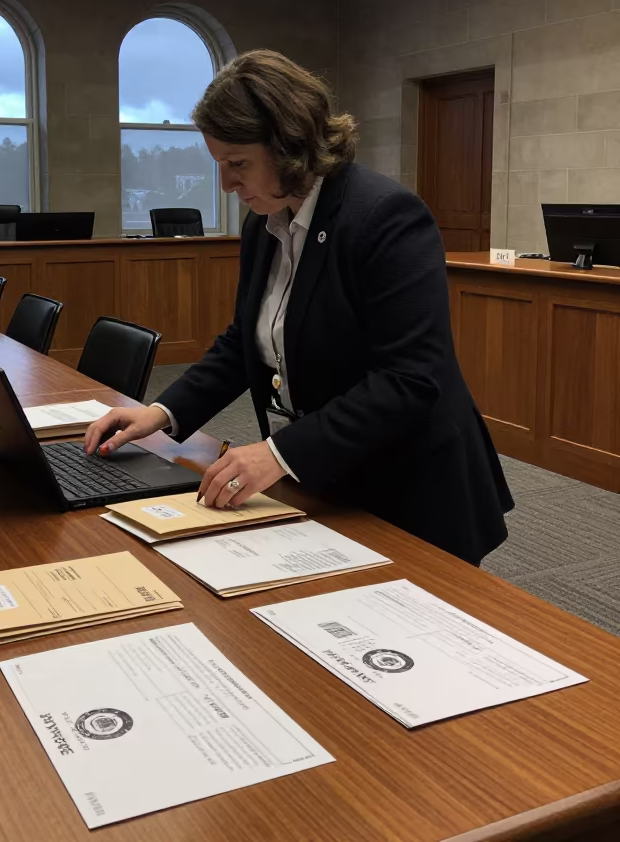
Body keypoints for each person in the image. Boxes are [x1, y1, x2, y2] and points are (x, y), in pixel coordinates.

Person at [85, 50, 513, 565]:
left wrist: (279, 453)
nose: (226, 185)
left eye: (237, 164)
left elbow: (410, 377)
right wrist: (160, 411)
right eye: (219, 165)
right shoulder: (263, 222)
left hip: (414, 486)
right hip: (333, 474)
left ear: (290, 147)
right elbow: (245, 339)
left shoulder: (385, 217)